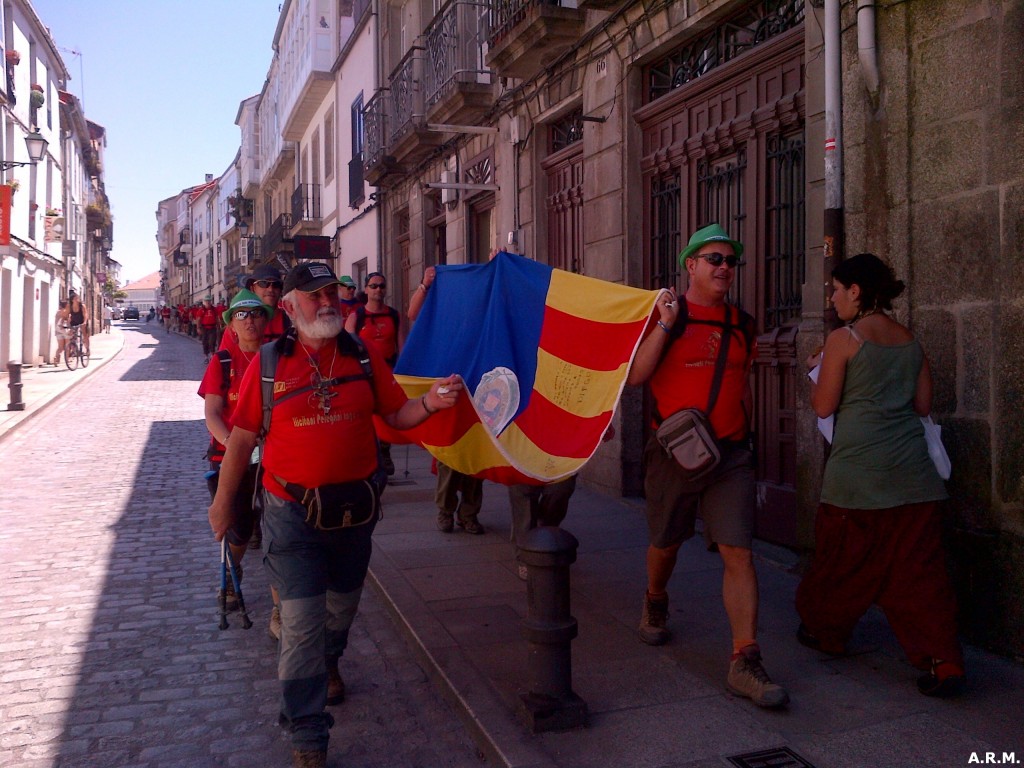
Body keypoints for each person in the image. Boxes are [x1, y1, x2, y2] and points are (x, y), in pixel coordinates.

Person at [208, 262, 462, 768]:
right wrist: (223, 504)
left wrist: (431, 402)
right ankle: (308, 737)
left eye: (330, 293)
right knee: (302, 622)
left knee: (340, 610)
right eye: (312, 295)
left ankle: (328, 663)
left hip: (354, 512)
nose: (325, 302)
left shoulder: (362, 356)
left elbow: (394, 416)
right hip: (291, 514)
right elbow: (239, 440)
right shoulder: (269, 363)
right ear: (289, 306)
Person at [626, 222, 788, 709]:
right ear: (690, 265)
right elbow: (636, 376)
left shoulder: (743, 324)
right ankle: (656, 598)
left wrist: (746, 436)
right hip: (674, 451)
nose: (724, 268)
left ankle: (745, 659)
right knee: (667, 542)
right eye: (714, 259)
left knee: (739, 551)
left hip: (731, 454)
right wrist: (663, 323)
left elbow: (743, 384)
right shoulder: (665, 317)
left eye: (730, 261)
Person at [796, 253, 964, 697]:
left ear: (856, 291)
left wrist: (815, 371)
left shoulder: (843, 339)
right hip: (915, 478)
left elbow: (823, 406)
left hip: (858, 479)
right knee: (920, 575)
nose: (832, 299)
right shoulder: (910, 340)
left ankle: (826, 634)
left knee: (842, 564)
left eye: (836, 289)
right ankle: (942, 661)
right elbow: (923, 406)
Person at [198, 289, 272, 612]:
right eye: (242, 315)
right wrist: (234, 445)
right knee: (240, 526)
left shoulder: (277, 357)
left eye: (256, 314)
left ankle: (281, 607)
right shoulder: (222, 362)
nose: (250, 321)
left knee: (278, 527)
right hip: (231, 455)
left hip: (272, 455)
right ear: (231, 325)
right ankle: (232, 568)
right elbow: (212, 414)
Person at [407, 266, 487, 534]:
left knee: (476, 457)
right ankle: (445, 510)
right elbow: (413, 314)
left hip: (478, 393)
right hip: (447, 389)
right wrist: (425, 284)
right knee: (449, 456)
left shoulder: (482, 317)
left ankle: (469, 514)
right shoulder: (442, 317)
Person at [345, 271, 401, 475]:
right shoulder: (356, 316)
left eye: (382, 286)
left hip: (388, 371)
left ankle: (384, 452)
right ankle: (367, 454)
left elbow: (401, 344)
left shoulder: (393, 315)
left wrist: (403, 370)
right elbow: (347, 347)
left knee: (386, 413)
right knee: (365, 415)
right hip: (363, 373)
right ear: (366, 289)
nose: (378, 289)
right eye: (374, 286)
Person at [66, 290, 90, 356]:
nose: (77, 299)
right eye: (76, 298)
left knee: (84, 334)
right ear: (72, 300)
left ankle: (87, 349)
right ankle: (74, 350)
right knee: (71, 335)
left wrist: (84, 322)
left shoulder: (82, 306)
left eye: (78, 298)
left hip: (82, 320)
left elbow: (85, 315)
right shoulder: (70, 306)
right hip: (74, 321)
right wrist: (68, 322)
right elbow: (68, 315)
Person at [199, 296, 220, 361]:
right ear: (204, 302)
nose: (208, 302)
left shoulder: (214, 309)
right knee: (205, 342)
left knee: (212, 341)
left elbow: (217, 318)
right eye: (206, 301)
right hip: (204, 328)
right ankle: (206, 356)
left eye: (209, 301)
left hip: (212, 327)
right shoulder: (201, 310)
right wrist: (198, 328)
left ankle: (212, 354)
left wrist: (218, 326)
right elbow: (199, 319)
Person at [54, 300, 70, 365]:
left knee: (60, 347)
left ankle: (56, 359)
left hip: (58, 330)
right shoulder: (65, 312)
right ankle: (67, 360)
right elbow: (68, 321)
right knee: (67, 346)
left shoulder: (57, 312)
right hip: (65, 330)